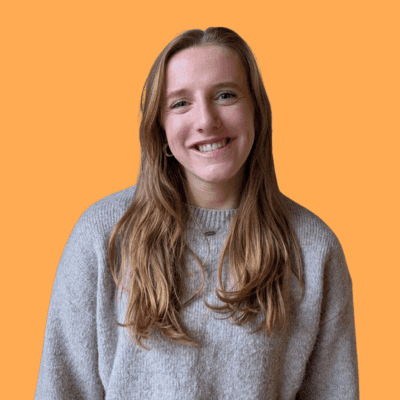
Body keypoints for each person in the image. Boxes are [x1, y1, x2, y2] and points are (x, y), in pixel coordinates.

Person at [35, 27, 359, 399]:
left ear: (256, 111)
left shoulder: (314, 249)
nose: (206, 120)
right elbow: (61, 389)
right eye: (180, 103)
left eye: (225, 95)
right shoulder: (102, 236)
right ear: (160, 128)